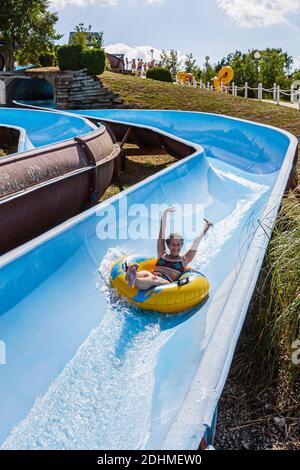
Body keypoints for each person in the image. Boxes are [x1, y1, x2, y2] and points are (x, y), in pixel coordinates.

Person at [125, 207, 213, 290]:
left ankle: (134, 279)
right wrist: (164, 214)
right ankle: (134, 275)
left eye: (178, 244)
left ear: (181, 245)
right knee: (145, 273)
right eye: (173, 244)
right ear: (168, 245)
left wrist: (207, 226)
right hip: (151, 277)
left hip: (165, 283)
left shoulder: (184, 260)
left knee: (153, 278)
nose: (176, 247)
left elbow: (196, 242)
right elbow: (161, 234)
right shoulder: (162, 254)